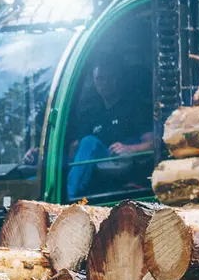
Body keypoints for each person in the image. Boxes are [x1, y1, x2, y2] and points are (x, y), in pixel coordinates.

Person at [66, 63, 156, 199]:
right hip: (97, 176)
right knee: (88, 142)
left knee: (89, 142)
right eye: (100, 78)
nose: (105, 83)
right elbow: (76, 150)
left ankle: (69, 198)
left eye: (110, 78)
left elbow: (153, 143)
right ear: (94, 81)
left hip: (128, 169)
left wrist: (130, 148)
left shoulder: (135, 108)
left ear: (118, 79)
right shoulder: (91, 112)